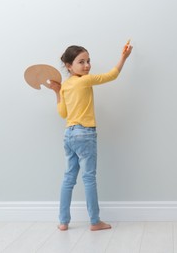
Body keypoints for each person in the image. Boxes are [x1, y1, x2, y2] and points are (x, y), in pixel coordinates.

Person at [49, 41, 133, 231]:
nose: (87, 65)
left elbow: (63, 113)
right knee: (88, 178)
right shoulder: (84, 80)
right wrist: (124, 57)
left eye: (88, 61)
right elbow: (112, 75)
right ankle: (95, 222)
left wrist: (57, 91)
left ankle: (63, 222)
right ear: (69, 66)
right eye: (81, 62)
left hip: (69, 135)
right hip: (85, 134)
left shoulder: (65, 86)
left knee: (68, 178)